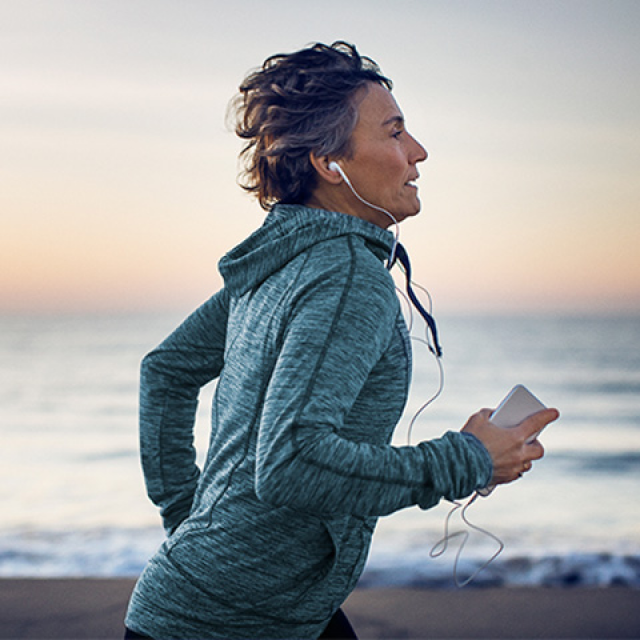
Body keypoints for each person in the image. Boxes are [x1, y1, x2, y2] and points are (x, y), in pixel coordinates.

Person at [124, 41, 558, 640]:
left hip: (260, 606)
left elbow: (165, 370)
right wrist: (469, 459)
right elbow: (291, 461)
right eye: (396, 132)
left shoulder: (281, 264)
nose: (419, 152)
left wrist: (194, 524)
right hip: (224, 623)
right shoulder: (348, 277)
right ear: (331, 164)